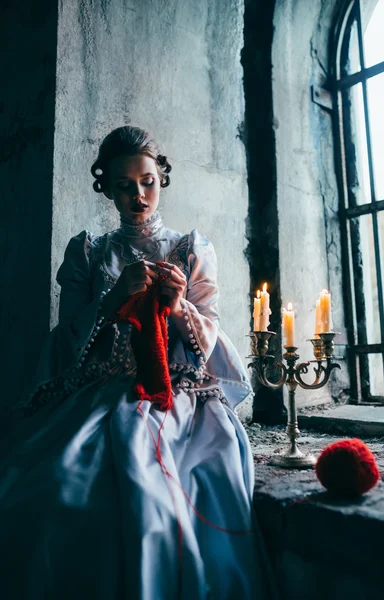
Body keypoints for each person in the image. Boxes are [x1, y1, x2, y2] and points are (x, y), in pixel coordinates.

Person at [0, 126, 277, 599]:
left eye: (146, 181)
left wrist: (178, 307)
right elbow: (65, 340)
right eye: (124, 185)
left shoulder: (191, 249)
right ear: (106, 186)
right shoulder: (89, 251)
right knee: (53, 485)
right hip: (97, 393)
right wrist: (110, 300)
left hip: (180, 393)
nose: (138, 195)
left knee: (180, 493)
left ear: (161, 178)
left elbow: (210, 335)